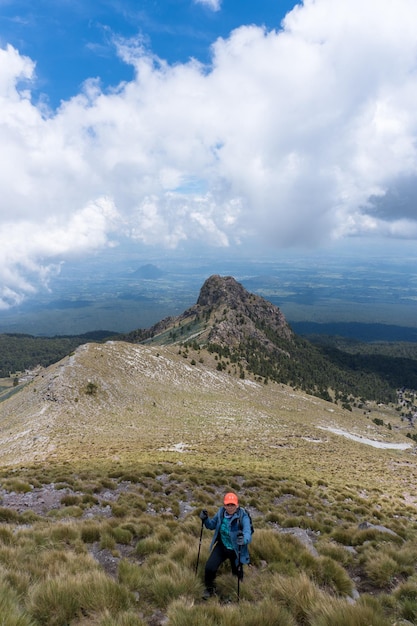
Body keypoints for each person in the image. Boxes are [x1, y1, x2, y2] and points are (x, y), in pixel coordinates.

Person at [199, 492, 252, 599]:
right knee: (209, 568)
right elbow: (211, 525)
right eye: (228, 504)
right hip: (222, 546)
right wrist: (205, 519)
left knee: (237, 576)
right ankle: (210, 589)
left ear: (237, 505)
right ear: (224, 505)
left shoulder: (243, 516)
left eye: (232, 504)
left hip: (236, 550)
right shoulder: (221, 513)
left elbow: (248, 532)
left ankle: (236, 594)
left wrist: (244, 540)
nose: (230, 507)